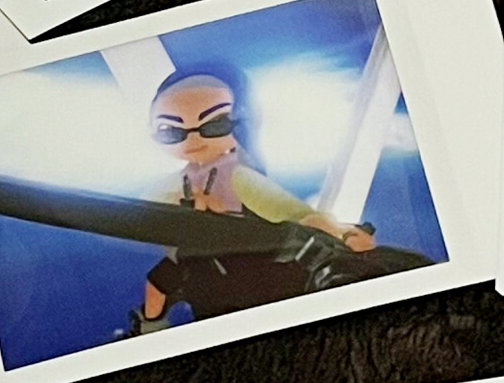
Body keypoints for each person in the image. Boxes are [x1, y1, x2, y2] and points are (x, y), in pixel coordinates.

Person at [131, 66, 380, 330]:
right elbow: (138, 215)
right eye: (171, 130)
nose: (192, 139)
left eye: (214, 125)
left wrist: (340, 233)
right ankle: (149, 327)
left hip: (245, 257)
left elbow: (292, 212)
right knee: (156, 285)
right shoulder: (174, 183)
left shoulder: (239, 177)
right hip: (194, 257)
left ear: (240, 122)